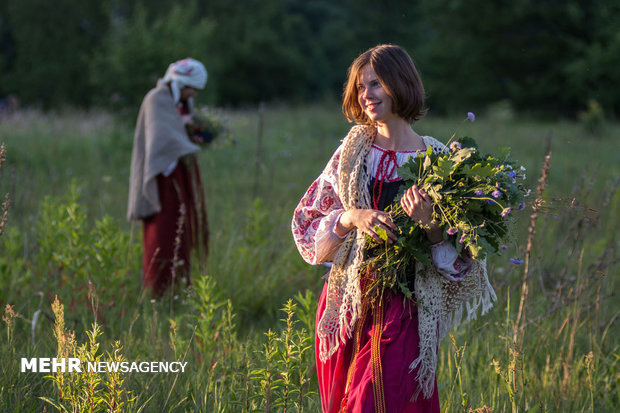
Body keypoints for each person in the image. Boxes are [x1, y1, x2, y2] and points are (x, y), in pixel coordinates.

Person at [291, 45, 496, 412]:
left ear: (400, 84)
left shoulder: (437, 161)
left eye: (375, 84)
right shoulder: (352, 152)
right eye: (359, 87)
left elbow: (460, 264)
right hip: (351, 300)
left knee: (374, 400)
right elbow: (307, 224)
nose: (365, 95)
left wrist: (432, 225)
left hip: (408, 305)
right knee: (347, 401)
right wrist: (352, 217)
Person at [128, 58, 210, 297]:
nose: (194, 93)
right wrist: (183, 126)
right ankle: (159, 291)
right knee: (162, 231)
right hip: (162, 177)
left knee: (180, 231)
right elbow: (161, 139)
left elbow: (179, 133)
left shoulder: (182, 101)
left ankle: (180, 287)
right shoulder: (156, 99)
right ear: (181, 83)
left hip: (178, 174)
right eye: (192, 87)